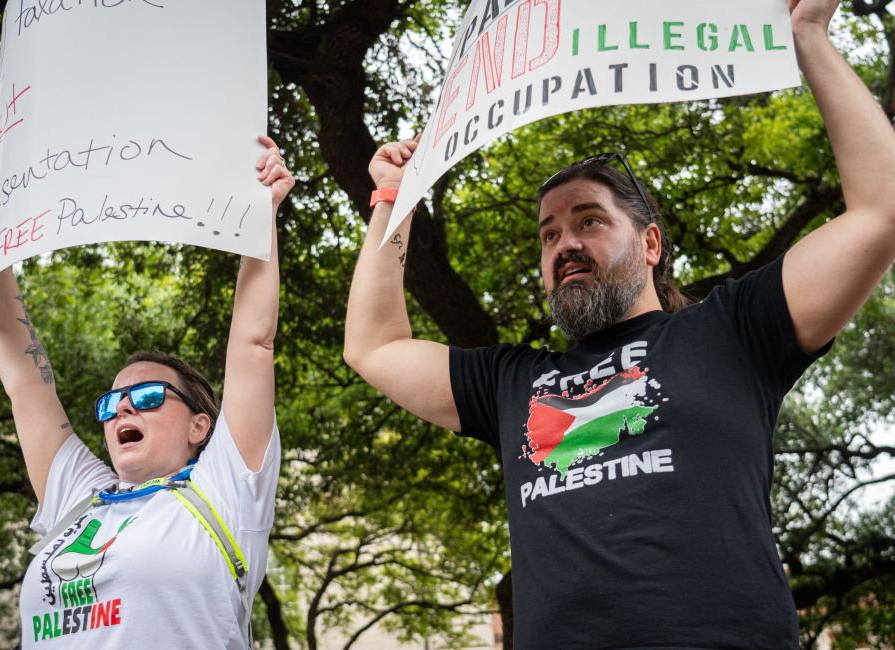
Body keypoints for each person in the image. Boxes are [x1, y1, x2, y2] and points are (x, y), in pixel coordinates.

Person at [343, 0, 895, 647]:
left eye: (590, 221)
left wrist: (808, 39)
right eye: (548, 235)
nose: (564, 244)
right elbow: (375, 345)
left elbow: (878, 213)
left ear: (652, 245)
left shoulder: (734, 331)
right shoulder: (509, 382)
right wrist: (392, 201)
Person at [0, 136, 293, 648]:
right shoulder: (80, 496)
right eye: (111, 402)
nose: (121, 407)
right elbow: (26, 384)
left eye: (146, 397)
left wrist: (261, 213)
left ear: (199, 425)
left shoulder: (225, 488)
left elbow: (253, 343)